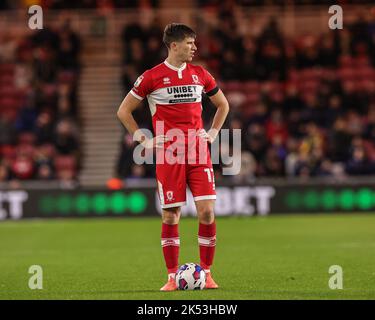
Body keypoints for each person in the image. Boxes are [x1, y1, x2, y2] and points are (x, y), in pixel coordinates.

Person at [117, 23, 229, 291]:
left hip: (198, 153)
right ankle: (171, 277)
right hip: (169, 154)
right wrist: (145, 139)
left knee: (207, 213)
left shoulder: (200, 74)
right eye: (190, 43)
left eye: (194, 43)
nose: (195, 47)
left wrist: (212, 133)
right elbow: (123, 111)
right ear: (174, 45)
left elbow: (223, 104)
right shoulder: (151, 77)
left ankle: (207, 273)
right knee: (170, 216)